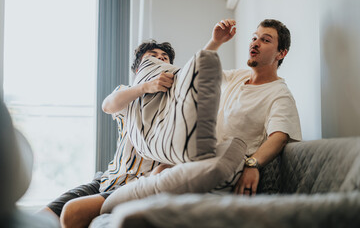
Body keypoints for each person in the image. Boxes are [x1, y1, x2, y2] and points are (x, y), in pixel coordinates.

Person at [40, 40, 176, 228]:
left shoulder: (174, 104)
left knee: (73, 212)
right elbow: (107, 105)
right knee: (42, 218)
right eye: (152, 56)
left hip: (135, 186)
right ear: (138, 69)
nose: (159, 59)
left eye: (164, 58)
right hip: (108, 178)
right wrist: (145, 87)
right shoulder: (128, 93)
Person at [204, 18, 302, 196]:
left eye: (265, 40)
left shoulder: (279, 94)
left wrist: (253, 164)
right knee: (161, 172)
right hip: (207, 159)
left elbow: (279, 137)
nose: (255, 43)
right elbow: (200, 72)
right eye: (254, 38)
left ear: (281, 54)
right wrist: (216, 41)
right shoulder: (239, 77)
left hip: (231, 170)